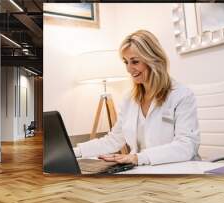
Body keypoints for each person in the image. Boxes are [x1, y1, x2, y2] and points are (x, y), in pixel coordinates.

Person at [74, 30, 200, 166]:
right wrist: (76, 151)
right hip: (143, 171)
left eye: (134, 62)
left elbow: (186, 146)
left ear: (154, 60)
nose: (129, 69)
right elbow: (114, 139)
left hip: (177, 171)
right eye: (126, 62)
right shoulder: (129, 98)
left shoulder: (181, 95)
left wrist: (138, 158)